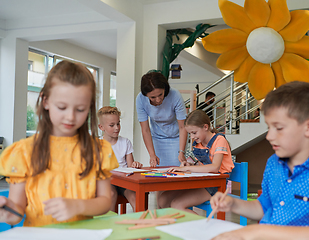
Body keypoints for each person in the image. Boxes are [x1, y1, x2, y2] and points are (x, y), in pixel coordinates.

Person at [210, 81, 309, 240]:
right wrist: (233, 204)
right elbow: (263, 207)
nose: (269, 136)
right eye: (269, 127)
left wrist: (257, 232)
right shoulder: (273, 163)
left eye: (279, 128)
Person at [0, 60, 119, 227]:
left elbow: (106, 201)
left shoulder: (98, 150)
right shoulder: (24, 151)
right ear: (45, 101)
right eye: (62, 107)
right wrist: (7, 212)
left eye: (80, 109)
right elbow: (17, 212)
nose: (70, 117)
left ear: (89, 107)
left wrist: (78, 206)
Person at [157, 109, 234, 214]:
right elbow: (198, 162)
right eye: (190, 134)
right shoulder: (199, 142)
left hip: (216, 184)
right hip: (201, 181)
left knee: (177, 205)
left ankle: (200, 229)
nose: (192, 137)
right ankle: (179, 227)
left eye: (194, 133)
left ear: (205, 127)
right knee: (163, 199)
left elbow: (215, 167)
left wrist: (186, 168)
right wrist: (188, 163)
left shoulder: (219, 140)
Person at [136, 72, 187, 167]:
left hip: (177, 138)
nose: (158, 100)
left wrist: (181, 151)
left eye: (160, 94)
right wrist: (152, 155)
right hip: (157, 138)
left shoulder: (175, 95)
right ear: (146, 95)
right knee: (159, 171)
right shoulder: (140, 99)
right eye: (153, 97)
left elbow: (182, 127)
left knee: (177, 169)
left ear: (165, 89)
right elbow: (145, 130)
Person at [97, 106, 142, 211]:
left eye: (118, 123)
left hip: (124, 182)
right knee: (111, 194)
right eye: (112, 125)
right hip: (107, 182)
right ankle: (111, 224)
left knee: (135, 196)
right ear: (101, 127)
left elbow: (131, 167)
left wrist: (135, 165)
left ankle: (142, 224)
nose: (117, 128)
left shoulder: (125, 142)